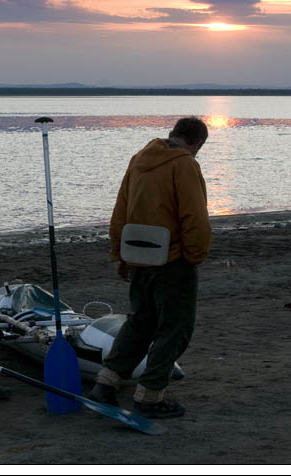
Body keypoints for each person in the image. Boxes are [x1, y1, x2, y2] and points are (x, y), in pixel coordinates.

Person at [88, 117, 212, 418]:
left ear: (173, 134)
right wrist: (195, 255)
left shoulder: (139, 159)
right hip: (172, 259)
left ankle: (106, 383)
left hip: (138, 255)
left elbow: (121, 208)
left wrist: (120, 253)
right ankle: (150, 396)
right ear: (197, 143)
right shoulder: (183, 164)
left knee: (139, 322)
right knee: (175, 327)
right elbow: (193, 215)